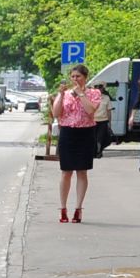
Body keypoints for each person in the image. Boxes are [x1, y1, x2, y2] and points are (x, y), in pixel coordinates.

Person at [51, 64, 102, 221]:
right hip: (67, 133)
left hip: (86, 133)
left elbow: (91, 111)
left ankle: (78, 208)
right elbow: (56, 113)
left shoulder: (94, 93)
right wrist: (60, 95)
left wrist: (81, 94)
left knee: (82, 171)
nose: (75, 79)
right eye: (72, 76)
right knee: (66, 172)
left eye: (78, 76)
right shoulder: (65, 94)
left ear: (85, 77)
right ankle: (63, 208)